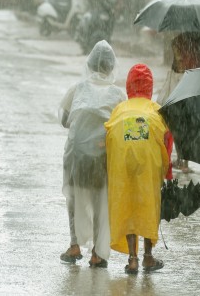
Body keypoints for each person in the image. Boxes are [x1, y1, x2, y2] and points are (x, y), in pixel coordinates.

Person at [58, 40, 126, 268]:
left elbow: (65, 120)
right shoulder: (118, 95)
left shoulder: (78, 89)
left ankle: (74, 244)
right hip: (100, 154)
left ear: (90, 64)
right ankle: (97, 252)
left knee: (74, 197)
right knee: (99, 201)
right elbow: (121, 128)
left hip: (76, 154)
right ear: (111, 67)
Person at [105, 64, 170, 274]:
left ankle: (132, 259)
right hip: (148, 164)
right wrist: (167, 172)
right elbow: (167, 140)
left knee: (128, 207)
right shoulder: (156, 110)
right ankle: (148, 257)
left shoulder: (120, 109)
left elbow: (108, 138)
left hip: (123, 165)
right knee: (147, 206)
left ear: (128, 85)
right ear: (150, 86)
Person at [157, 32, 200, 172]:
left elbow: (177, 65)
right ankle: (185, 161)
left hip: (180, 88)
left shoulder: (178, 41)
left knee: (178, 125)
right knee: (190, 125)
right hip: (196, 87)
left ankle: (181, 160)